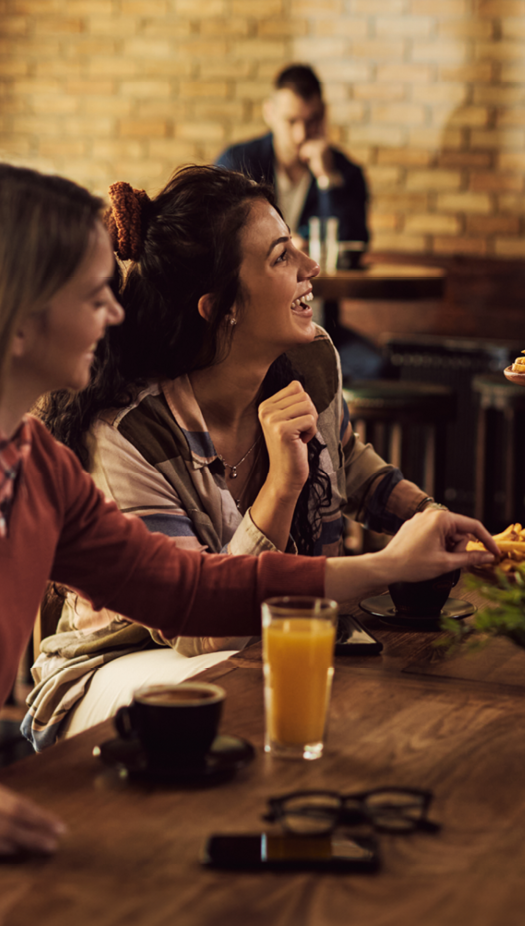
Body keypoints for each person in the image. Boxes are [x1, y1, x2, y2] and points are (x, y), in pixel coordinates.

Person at [0, 155, 495, 864]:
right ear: (18, 321)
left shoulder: (32, 469)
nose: (116, 315)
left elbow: (190, 589)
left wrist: (388, 565)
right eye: (93, 294)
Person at [29, 167, 442, 745]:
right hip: (120, 666)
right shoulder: (128, 437)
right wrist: (282, 489)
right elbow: (201, 629)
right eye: (280, 257)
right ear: (220, 306)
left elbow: (346, 461)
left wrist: (426, 517)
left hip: (257, 640)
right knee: (241, 693)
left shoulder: (311, 362)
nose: (311, 267)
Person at [217, 64, 383, 380]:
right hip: (250, 325)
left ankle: (339, 430)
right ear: (269, 113)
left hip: (319, 321)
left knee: (375, 367)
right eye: (291, 121)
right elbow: (220, 246)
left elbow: (352, 247)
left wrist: (326, 180)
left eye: (313, 121)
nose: (301, 134)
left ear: (325, 116)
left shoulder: (345, 172)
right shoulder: (238, 163)